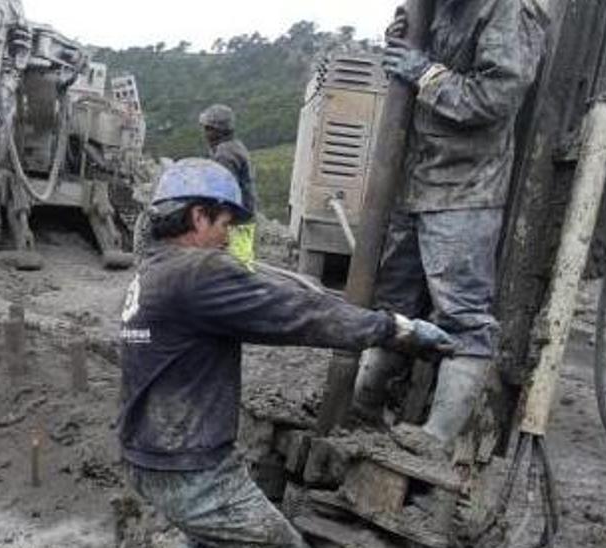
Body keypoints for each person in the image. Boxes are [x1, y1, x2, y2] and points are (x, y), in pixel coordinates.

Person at [119, 158, 455, 547]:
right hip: (189, 468)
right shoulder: (197, 272)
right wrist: (395, 329)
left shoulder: (152, 272)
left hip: (149, 454)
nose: (228, 238)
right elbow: (299, 314)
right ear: (198, 216)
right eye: (225, 224)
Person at [351, 0, 548, 453]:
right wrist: (402, 40)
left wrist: (426, 74)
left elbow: (498, 96)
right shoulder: (435, 7)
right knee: (394, 302)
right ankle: (365, 406)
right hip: (414, 179)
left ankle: (436, 438)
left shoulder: (503, 9)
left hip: (464, 186)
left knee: (462, 315)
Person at [199, 104, 258, 270]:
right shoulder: (233, 146)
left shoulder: (225, 154)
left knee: (238, 265)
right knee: (241, 260)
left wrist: (215, 219)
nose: (205, 133)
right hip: (242, 216)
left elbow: (222, 192)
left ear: (218, 130)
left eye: (208, 128)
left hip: (236, 220)